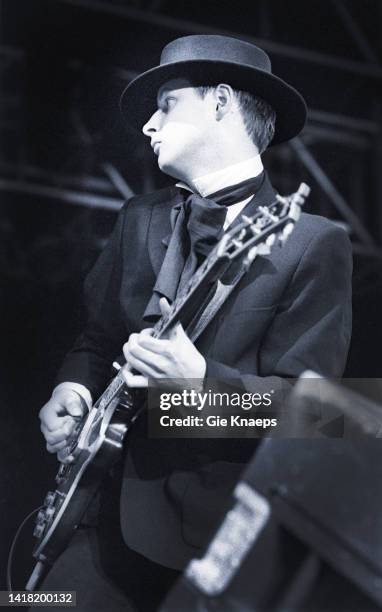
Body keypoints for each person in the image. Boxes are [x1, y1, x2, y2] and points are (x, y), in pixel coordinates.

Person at [37, 35, 352, 611]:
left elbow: (318, 414)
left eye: (167, 104)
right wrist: (73, 388)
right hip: (94, 512)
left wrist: (202, 382)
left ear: (221, 101)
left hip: (207, 541)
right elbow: (98, 337)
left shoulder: (313, 243)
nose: (148, 127)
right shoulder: (139, 217)